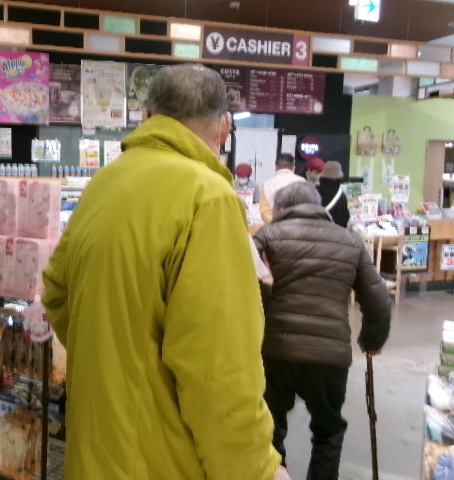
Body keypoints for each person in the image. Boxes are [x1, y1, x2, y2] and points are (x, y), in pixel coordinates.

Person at [43, 64, 287, 480]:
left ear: (146, 117)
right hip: (163, 462)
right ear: (224, 127)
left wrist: (114, 358)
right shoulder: (208, 198)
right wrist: (257, 470)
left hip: (93, 452)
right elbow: (219, 369)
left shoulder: (104, 183)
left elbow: (56, 292)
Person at [253, 181, 391, 480]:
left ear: (280, 208)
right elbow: (378, 298)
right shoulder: (350, 241)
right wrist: (371, 340)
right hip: (330, 355)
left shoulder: (265, 237)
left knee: (269, 426)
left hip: (274, 352)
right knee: (328, 430)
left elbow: (244, 288)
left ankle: (275, 474)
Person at [259, 153, 305, 224]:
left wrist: (274, 225)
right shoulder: (303, 182)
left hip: (276, 227)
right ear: (294, 168)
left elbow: (265, 211)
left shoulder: (267, 184)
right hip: (298, 226)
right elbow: (307, 207)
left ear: (276, 167)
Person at [318, 161, 351, 228]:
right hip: (336, 232)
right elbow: (345, 219)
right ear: (339, 178)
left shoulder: (313, 191)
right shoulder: (341, 195)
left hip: (316, 231)